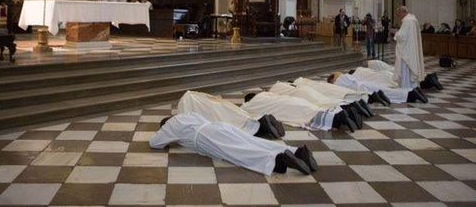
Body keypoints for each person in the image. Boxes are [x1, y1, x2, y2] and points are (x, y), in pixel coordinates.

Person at [149, 112, 317, 175]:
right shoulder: (186, 114)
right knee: (252, 141)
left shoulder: (170, 126)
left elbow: (154, 143)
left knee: (240, 152)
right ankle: (296, 151)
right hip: (218, 127)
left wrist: (168, 136)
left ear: (165, 123)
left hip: (206, 138)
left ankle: (279, 160)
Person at [176, 90, 285, 139]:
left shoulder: (184, 107)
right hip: (220, 105)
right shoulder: (191, 96)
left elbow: (189, 125)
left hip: (215, 110)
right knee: (238, 116)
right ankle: (261, 121)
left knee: (234, 126)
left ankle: (262, 126)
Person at [268, 81, 371, 128]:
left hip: (298, 97)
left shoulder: (273, 91)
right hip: (304, 92)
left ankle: (340, 116)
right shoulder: (286, 84)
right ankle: (351, 106)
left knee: (315, 108)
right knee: (324, 101)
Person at [242, 91, 358, 132]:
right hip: (292, 101)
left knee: (307, 115)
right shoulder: (266, 94)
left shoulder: (252, 103)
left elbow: (245, 109)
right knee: (312, 109)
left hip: (288, 108)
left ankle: (338, 119)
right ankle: (340, 115)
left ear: (249, 100)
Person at [328, 70, 428, 104]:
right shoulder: (345, 76)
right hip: (366, 85)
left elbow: (349, 88)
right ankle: (411, 91)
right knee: (388, 91)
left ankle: (411, 94)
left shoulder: (339, 81)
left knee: (389, 93)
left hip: (365, 88)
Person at [393, 6, 425, 89]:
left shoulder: (408, 22)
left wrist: (396, 33)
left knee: (406, 68)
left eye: (399, 14)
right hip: (411, 49)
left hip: (406, 50)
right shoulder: (413, 20)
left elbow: (402, 36)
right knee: (410, 68)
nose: (399, 16)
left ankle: (406, 86)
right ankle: (412, 86)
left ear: (403, 12)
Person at [368, 59, 442, 90]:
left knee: (407, 77)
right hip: (391, 70)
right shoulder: (375, 64)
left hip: (390, 71)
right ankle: (428, 78)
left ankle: (428, 80)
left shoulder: (373, 65)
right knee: (409, 75)